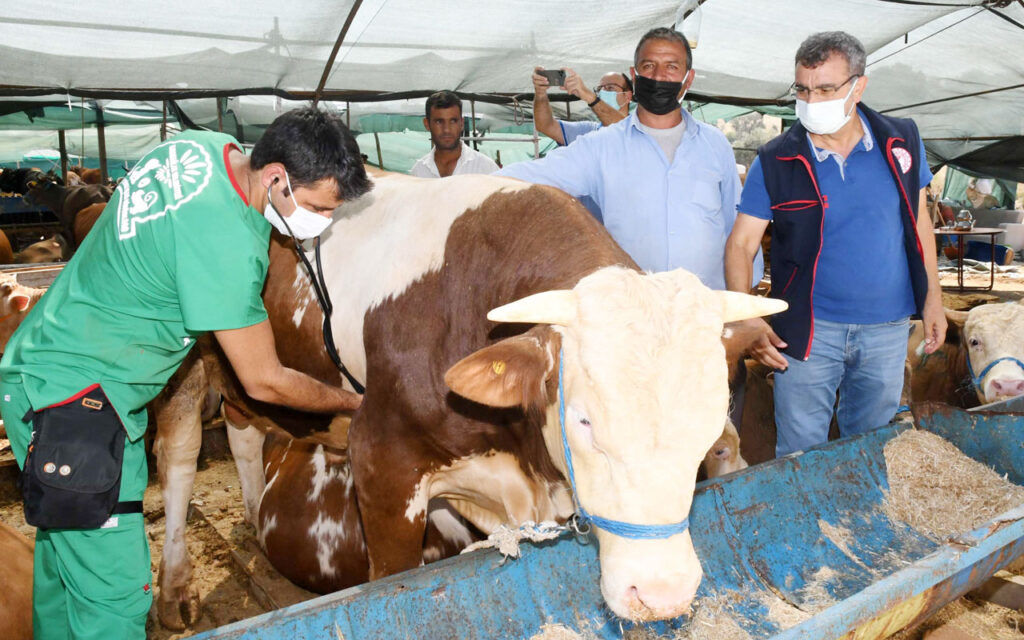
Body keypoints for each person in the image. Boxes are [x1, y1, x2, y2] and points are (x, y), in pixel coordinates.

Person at [0, 106, 370, 639]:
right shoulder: (227, 244)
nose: (321, 224)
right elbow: (262, 379)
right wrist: (352, 402)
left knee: (64, 569)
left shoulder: (202, 148)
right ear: (276, 178)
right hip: (74, 404)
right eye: (317, 208)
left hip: (60, 379)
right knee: (115, 599)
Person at [724, 31, 946, 457]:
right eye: (803, 90)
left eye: (826, 88)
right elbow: (741, 246)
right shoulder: (776, 160)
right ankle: (808, 522)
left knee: (870, 445)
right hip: (808, 332)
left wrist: (933, 298)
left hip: (886, 328)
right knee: (800, 450)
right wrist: (747, 318)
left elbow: (920, 224)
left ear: (858, 86)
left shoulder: (901, 142)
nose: (812, 100)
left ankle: (859, 521)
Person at [499, 27, 761, 291]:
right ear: (635, 76)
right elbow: (530, 175)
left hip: (704, 309)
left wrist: (744, 303)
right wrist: (463, 187)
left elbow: (737, 229)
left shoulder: (714, 144)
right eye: (649, 66)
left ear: (688, 79)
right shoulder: (601, 146)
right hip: (631, 315)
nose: (659, 76)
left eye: (672, 67)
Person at [532, 68, 633, 146]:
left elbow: (620, 130)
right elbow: (544, 125)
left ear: (628, 96)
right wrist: (540, 93)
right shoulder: (587, 131)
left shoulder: (639, 129)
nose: (603, 92)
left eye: (610, 88)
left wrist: (588, 95)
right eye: (600, 89)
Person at [410, 90, 499, 178]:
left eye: (453, 121)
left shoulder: (486, 168)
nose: (447, 130)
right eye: (439, 121)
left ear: (462, 123)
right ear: (427, 124)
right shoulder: (419, 172)